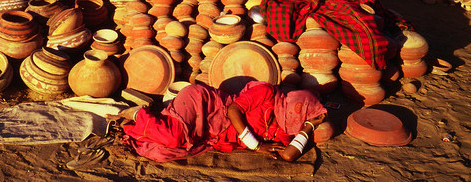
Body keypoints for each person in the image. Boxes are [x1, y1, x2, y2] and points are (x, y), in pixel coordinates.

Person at [108, 80, 327, 162]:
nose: (290, 119)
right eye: (293, 114)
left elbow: (288, 155)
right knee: (172, 136)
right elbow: (233, 110)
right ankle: (139, 113)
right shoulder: (268, 92)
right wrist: (256, 145)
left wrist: (308, 127)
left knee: (162, 152)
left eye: (297, 120)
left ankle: (141, 122)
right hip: (206, 104)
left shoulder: (284, 129)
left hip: (211, 135)